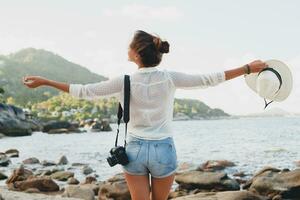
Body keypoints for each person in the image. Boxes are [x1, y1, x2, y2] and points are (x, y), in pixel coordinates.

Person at [22, 30, 267, 200]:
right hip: (163, 149)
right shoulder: (170, 77)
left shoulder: (123, 81)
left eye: (129, 46)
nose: (127, 49)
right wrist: (247, 68)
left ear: (137, 53)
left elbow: (84, 91)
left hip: (134, 151)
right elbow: (210, 79)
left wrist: (45, 81)